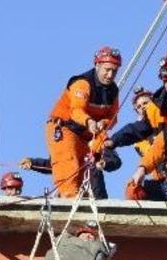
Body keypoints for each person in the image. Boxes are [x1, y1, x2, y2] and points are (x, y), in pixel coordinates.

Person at [45, 46, 122, 198]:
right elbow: (76, 110)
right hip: (65, 128)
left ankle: (86, 198)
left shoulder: (113, 91)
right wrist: (89, 122)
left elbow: (113, 117)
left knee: (88, 166)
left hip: (87, 135)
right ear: (97, 65)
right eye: (107, 70)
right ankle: (69, 198)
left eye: (114, 71)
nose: (110, 75)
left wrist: (104, 123)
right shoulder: (82, 84)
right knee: (69, 163)